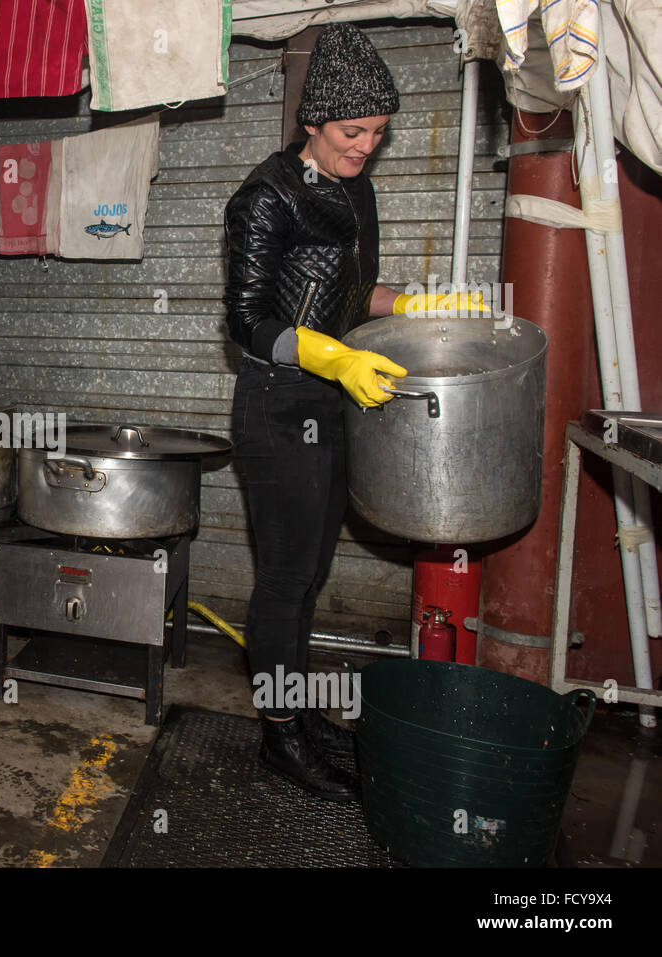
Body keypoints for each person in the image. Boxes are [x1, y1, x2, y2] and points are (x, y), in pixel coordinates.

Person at [224, 23, 481, 800]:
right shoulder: (264, 197)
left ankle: (295, 715)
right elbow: (248, 321)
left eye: (377, 132)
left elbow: (348, 294)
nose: (365, 145)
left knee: (310, 575)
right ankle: (278, 735)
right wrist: (330, 353)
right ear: (312, 122)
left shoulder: (356, 190)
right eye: (351, 131)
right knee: (284, 576)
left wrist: (410, 302)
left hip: (335, 401)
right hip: (277, 406)